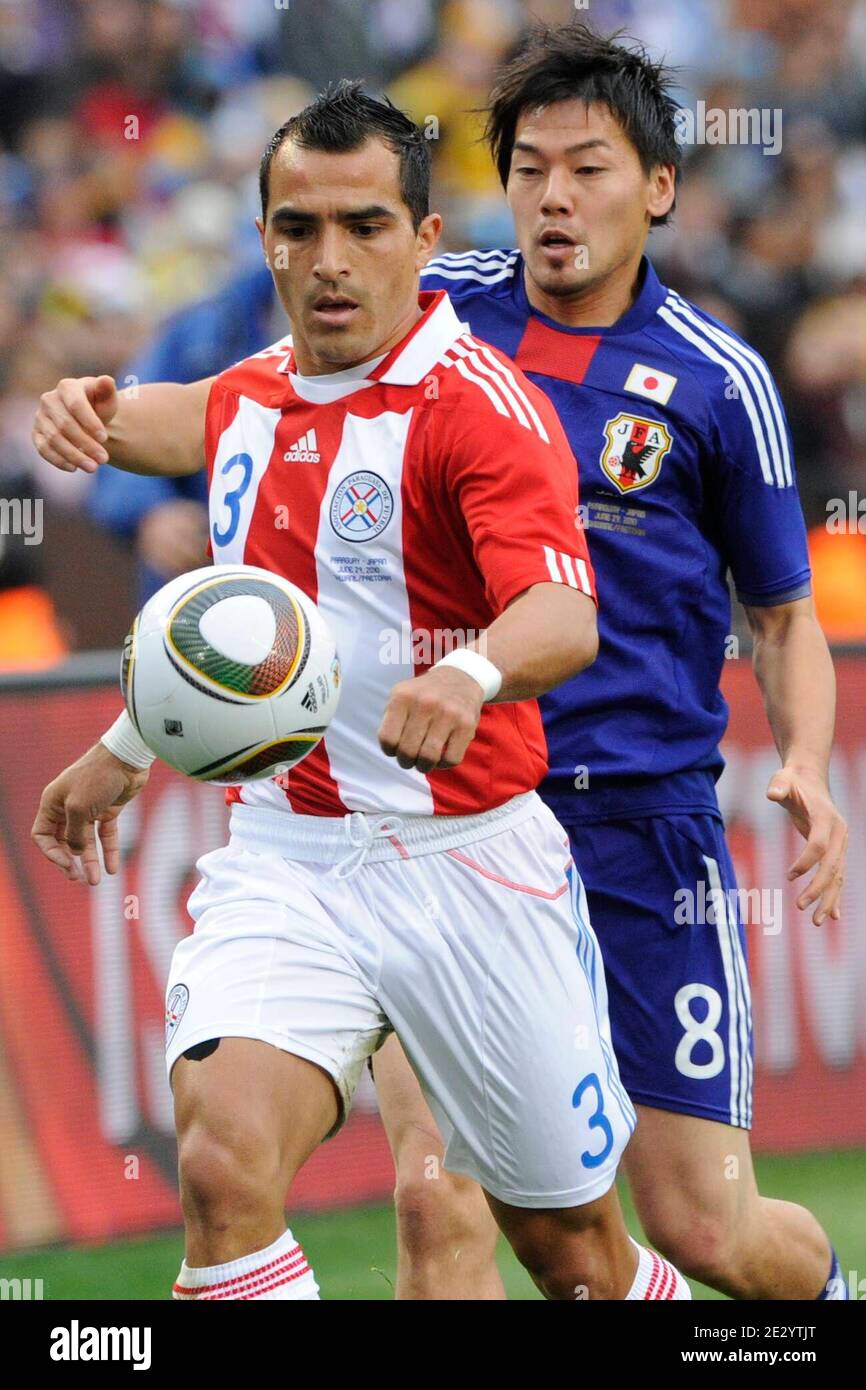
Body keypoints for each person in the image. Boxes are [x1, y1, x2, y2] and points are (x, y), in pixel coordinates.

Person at [30, 83, 690, 1302]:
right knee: (222, 1167)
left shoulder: (479, 410)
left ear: (425, 239)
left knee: (571, 1257)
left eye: (363, 226)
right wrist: (91, 411)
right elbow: (188, 445)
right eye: (295, 228)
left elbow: (563, 613)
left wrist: (471, 667)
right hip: (288, 855)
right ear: (266, 234)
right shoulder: (257, 396)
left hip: (469, 864)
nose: (326, 261)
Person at [389, 22, 844, 1301]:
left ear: (656, 186)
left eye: (585, 167)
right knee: (439, 1207)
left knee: (705, 1230)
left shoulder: (716, 382)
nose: (551, 196)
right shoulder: (436, 310)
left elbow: (781, 618)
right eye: (528, 167)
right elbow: (275, 377)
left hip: (640, 830)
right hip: (460, 820)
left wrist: (805, 765)